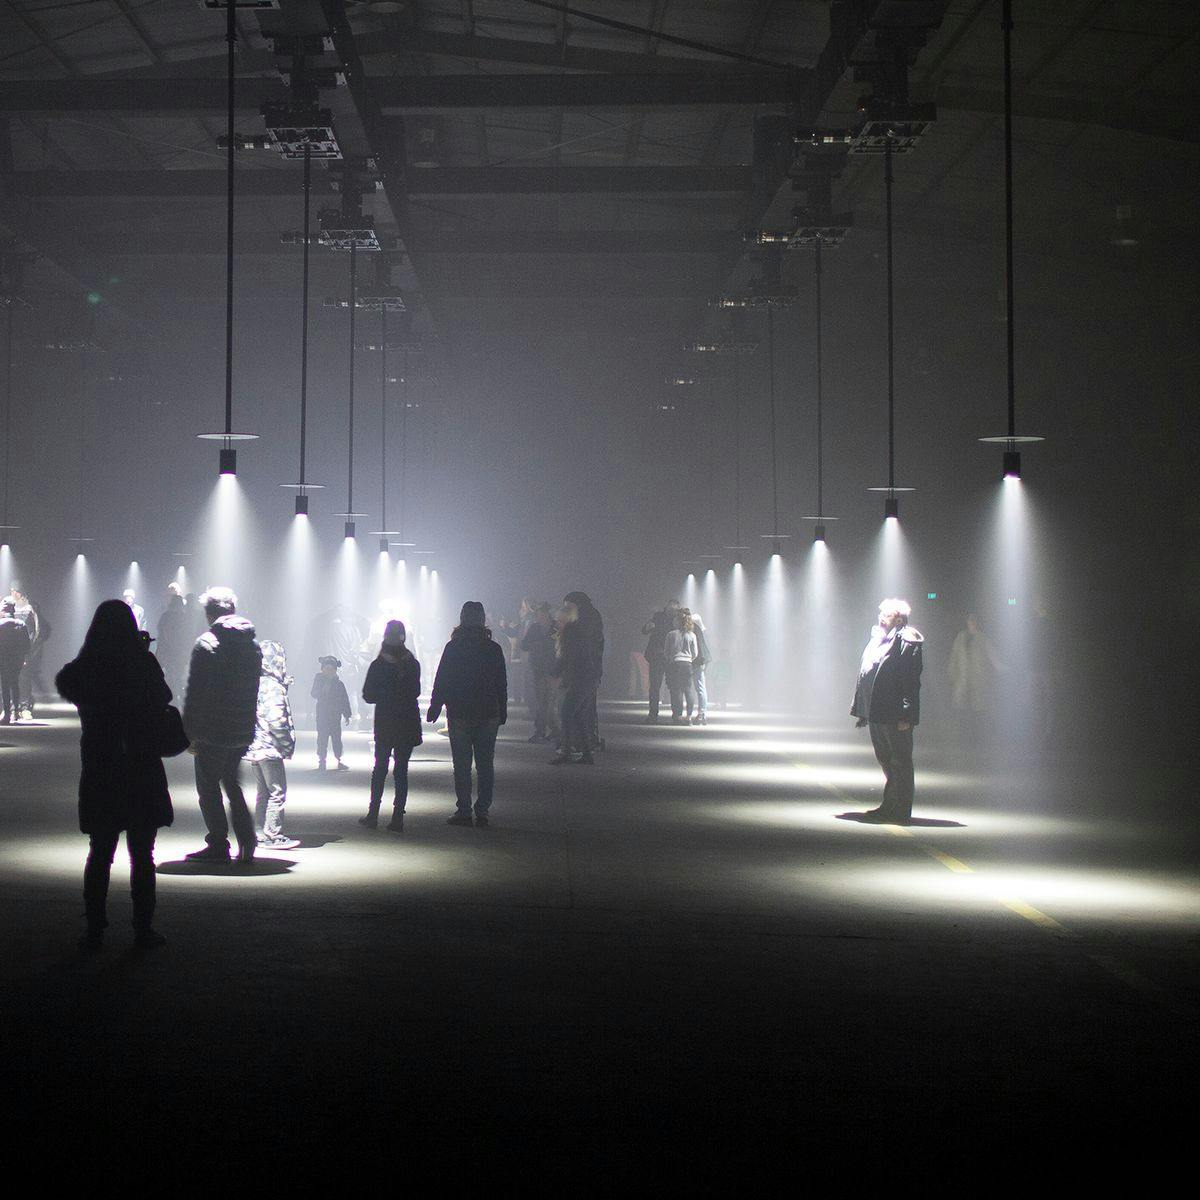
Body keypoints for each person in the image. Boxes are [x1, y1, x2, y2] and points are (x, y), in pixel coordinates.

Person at [56, 600, 173, 950]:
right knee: (142, 854)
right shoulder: (141, 663)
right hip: (140, 765)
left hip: (101, 765)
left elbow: (67, 683)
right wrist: (141, 652)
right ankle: (143, 927)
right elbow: (163, 698)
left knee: (100, 852)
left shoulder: (85, 668)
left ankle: (94, 928)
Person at [181, 586, 262, 863]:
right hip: (242, 728)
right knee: (232, 783)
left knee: (208, 786)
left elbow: (196, 691)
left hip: (213, 730)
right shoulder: (252, 645)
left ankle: (218, 843)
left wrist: (188, 731)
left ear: (209, 613)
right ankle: (248, 841)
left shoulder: (206, 643)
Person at [428, 601, 507, 826]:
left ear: (462, 619)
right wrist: (502, 709)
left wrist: (436, 705)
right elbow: (501, 682)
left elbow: (442, 678)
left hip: (459, 712)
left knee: (461, 765)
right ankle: (482, 811)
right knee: (485, 764)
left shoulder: (453, 647)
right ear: (483, 620)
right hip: (488, 712)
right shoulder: (493, 649)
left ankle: (463, 810)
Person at [851, 598, 924, 824]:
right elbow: (867, 675)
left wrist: (906, 715)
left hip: (893, 712)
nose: (881, 617)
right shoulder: (879, 639)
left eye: (887, 614)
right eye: (880, 613)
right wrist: (863, 708)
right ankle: (890, 804)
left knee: (900, 760)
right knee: (885, 758)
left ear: (899, 619)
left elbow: (910, 681)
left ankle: (901, 810)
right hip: (877, 710)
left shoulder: (907, 641)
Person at [359, 620, 422, 831]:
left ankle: (373, 814)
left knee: (380, 768)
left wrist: (385, 695)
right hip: (406, 722)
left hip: (386, 722)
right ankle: (397, 818)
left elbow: (368, 695)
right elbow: (415, 692)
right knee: (401, 770)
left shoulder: (378, 665)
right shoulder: (412, 663)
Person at [245, 640, 300, 851]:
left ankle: (260, 833)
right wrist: (286, 744)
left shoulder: (254, 683)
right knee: (277, 791)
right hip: (270, 747)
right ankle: (273, 835)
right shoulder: (273, 687)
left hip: (256, 746)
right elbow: (277, 720)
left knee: (263, 792)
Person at [946, 612, 1001, 747]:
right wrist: (952, 673)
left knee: (978, 711)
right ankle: (964, 738)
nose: (972, 622)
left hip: (978, 680)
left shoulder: (983, 639)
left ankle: (977, 739)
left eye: (974, 620)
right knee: (962, 710)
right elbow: (955, 656)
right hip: (963, 680)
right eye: (970, 620)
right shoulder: (961, 637)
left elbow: (992, 656)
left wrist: (1001, 668)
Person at [565, 591, 604, 753]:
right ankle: (584, 742)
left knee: (583, 707)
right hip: (586, 669)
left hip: (587, 669)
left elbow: (584, 641)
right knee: (582, 708)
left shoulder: (588, 618)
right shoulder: (587, 616)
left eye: (568, 606)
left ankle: (586, 741)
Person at [521, 603, 559, 744]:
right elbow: (524, 645)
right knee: (542, 702)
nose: (539, 616)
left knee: (547, 702)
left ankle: (542, 731)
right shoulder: (535, 628)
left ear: (547, 613)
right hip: (538, 669)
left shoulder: (556, 627)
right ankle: (554, 730)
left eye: (541, 613)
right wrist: (534, 645)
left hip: (553, 669)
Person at [641, 599, 680, 723]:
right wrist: (648, 626)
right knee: (655, 687)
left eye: (674, 610)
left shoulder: (678, 619)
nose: (671, 611)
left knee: (674, 687)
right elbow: (645, 630)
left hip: (671, 658)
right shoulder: (658, 617)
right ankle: (653, 715)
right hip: (658, 656)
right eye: (670, 609)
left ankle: (676, 715)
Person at [311, 655, 352, 770]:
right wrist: (322, 689)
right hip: (322, 715)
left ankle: (339, 759)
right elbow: (313, 694)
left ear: (335, 670)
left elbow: (344, 700)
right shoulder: (319, 681)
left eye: (331, 669)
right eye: (326, 668)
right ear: (322, 669)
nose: (329, 671)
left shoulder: (339, 684)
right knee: (322, 738)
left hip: (335, 716)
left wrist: (347, 714)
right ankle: (322, 761)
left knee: (336, 738)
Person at [155, 582, 193, 697]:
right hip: (179, 652)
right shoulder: (185, 617)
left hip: (169, 651)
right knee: (178, 676)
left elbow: (162, 632)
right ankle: (178, 699)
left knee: (171, 676)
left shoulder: (166, 615)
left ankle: (172, 699)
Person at [8, 585, 39, 718]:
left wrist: (29, 647)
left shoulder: (29, 607)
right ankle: (12, 706)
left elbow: (35, 629)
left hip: (25, 648)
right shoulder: (8, 604)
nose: (12, 592)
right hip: (10, 648)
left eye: (14, 590)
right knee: (10, 677)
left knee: (24, 677)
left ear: (20, 593)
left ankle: (25, 706)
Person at [664, 608, 699, 725]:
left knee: (676, 691)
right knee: (689, 690)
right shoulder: (692, 635)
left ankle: (677, 716)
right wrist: (689, 659)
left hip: (675, 664)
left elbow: (666, 651)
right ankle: (689, 716)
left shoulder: (671, 634)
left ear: (677, 621)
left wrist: (671, 658)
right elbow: (695, 654)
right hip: (687, 665)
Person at [0, 598, 31, 724]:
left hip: (2, 658)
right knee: (15, 683)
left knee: (5, 685)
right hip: (17, 659)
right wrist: (23, 657)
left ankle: (7, 713)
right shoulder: (21, 624)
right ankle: (16, 713)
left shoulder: (0, 624)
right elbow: (27, 644)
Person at [691, 612, 713, 726]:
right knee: (701, 687)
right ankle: (702, 714)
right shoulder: (704, 632)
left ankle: (701, 714)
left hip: (698, 661)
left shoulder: (697, 632)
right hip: (703, 661)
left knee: (699, 687)